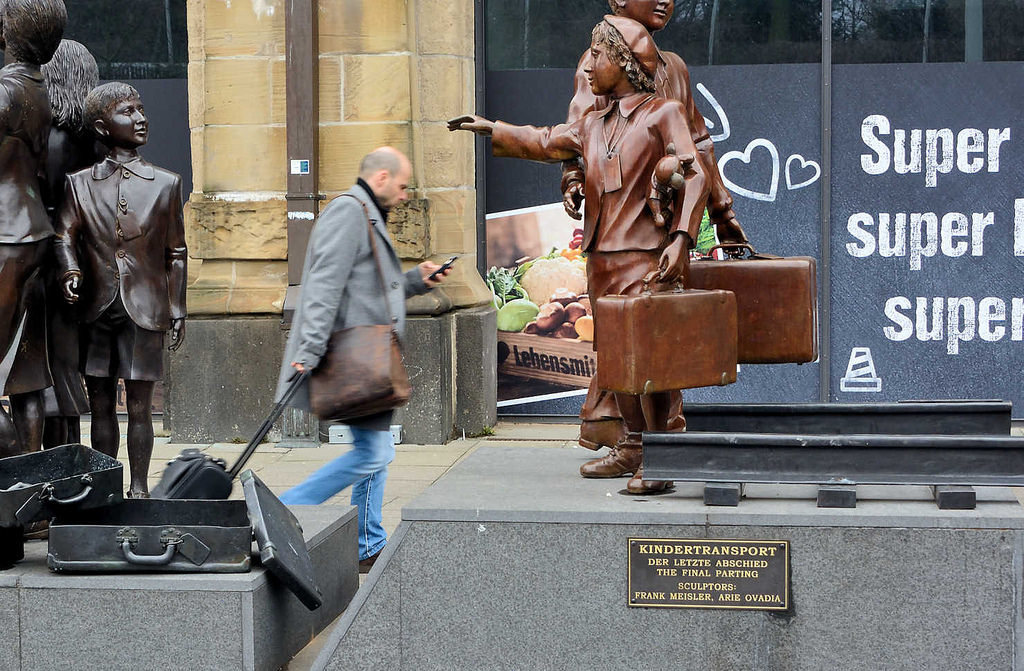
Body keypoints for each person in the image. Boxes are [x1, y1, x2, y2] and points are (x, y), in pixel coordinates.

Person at [450, 16, 709, 494]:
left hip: (647, 258)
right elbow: (546, 140)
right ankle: (632, 445)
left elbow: (695, 174)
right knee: (614, 359)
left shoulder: (664, 113)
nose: (589, 66)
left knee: (648, 358)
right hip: (603, 261)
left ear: (627, 64)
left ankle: (662, 453)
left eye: (599, 56)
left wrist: (681, 238)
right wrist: (492, 128)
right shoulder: (592, 124)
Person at [564, 0, 747, 455]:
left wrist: (723, 214)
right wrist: (572, 177)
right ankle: (635, 442)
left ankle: (658, 444)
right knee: (624, 338)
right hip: (621, 228)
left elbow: (698, 146)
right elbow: (576, 132)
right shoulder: (598, 60)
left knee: (656, 337)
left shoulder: (675, 69)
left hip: (663, 228)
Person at [275, 147, 450, 571]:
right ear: (382, 177)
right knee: (372, 455)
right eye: (404, 186)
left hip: (369, 360)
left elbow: (368, 288)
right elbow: (322, 287)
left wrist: (415, 281)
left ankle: (367, 543)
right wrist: (309, 350)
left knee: (375, 451)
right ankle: (279, 513)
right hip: (353, 360)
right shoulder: (348, 212)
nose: (406, 196)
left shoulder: (367, 214)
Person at [54, 82, 187, 498]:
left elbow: (176, 252)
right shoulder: (78, 184)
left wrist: (177, 306)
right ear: (101, 126)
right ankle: (106, 485)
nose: (140, 118)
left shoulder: (166, 184)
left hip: (145, 307)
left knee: (142, 407)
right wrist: (70, 271)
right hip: (95, 308)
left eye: (140, 109)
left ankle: (141, 488)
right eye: (127, 111)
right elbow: (64, 235)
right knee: (100, 404)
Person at [10, 39, 97, 449]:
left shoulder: (52, 138)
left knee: (43, 363)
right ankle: (66, 450)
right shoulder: (90, 141)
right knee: (64, 362)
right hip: (75, 256)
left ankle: (44, 452)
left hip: (44, 256)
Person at [0, 0, 66, 457]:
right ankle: (33, 494)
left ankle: (15, 488)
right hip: (30, 233)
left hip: (5, 235)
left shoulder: (5, 91)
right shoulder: (36, 85)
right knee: (24, 375)